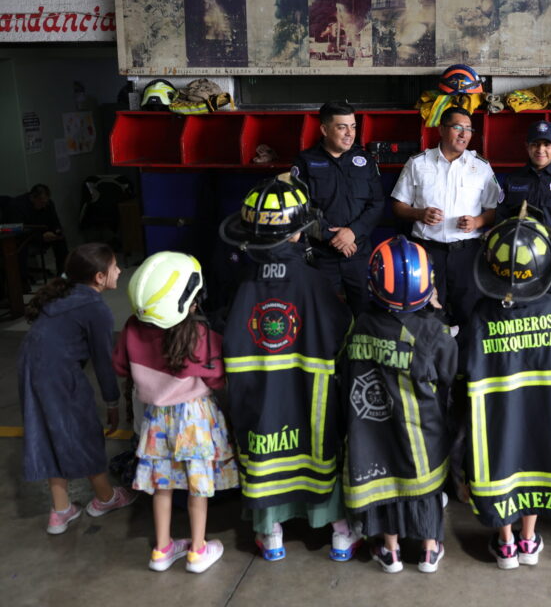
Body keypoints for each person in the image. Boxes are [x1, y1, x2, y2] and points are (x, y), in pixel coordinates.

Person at [219, 174, 361, 563]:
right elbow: (342, 331)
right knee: (319, 453)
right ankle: (339, 532)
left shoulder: (242, 283)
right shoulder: (315, 283)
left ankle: (270, 533)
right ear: (298, 233)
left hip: (259, 400)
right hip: (309, 398)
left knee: (264, 459)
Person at [462, 206, 551, 570]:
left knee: (504, 469)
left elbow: (465, 364)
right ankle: (529, 538)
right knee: (537, 467)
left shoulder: (481, 314)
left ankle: (506, 541)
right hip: (545, 417)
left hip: (499, 421)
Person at [114, 252, 239, 573]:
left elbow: (120, 366)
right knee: (198, 486)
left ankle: (161, 549)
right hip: (194, 420)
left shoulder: (131, 329)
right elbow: (218, 378)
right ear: (189, 302)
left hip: (156, 419)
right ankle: (197, 550)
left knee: (162, 484)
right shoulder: (199, 335)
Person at [341, 236, 457, 574]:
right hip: (421, 433)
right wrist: (437, 313)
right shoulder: (433, 331)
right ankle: (429, 551)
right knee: (425, 489)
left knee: (387, 490)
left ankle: (390, 551)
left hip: (372, 431)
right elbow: (449, 375)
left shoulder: (360, 324)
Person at [18, 242, 135, 535]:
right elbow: (103, 362)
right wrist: (112, 402)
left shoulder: (62, 294)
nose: (120, 271)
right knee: (84, 431)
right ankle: (106, 498)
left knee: (50, 432)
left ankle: (61, 510)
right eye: (114, 267)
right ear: (99, 277)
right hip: (58, 374)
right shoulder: (96, 308)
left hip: (31, 368)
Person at [392, 107, 500, 328]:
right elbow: (398, 206)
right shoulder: (418, 163)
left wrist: (477, 221)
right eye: (457, 127)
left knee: (470, 315)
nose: (464, 134)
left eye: (468, 129)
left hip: (467, 254)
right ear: (441, 129)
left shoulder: (481, 167)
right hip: (427, 252)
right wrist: (419, 213)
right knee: (426, 315)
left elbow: (495, 209)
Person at [292, 101, 384, 316]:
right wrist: (332, 237)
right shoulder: (305, 161)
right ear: (325, 130)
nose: (350, 134)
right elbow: (299, 208)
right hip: (321, 255)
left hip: (358, 253)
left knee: (365, 314)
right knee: (323, 315)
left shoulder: (365, 160)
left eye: (353, 127)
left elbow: (377, 203)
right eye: (342, 127)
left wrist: (352, 233)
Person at [495, 120, 551, 300]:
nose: (540, 149)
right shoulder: (512, 180)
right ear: (527, 147)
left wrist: (550, 251)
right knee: (519, 306)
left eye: (546, 144)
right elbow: (502, 219)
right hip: (518, 260)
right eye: (535, 144)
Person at [4, 184, 68, 280]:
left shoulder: (48, 204)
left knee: (61, 241)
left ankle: (63, 275)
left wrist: (57, 232)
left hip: (42, 235)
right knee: (20, 247)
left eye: (46, 202)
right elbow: (18, 231)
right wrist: (41, 236)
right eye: (42, 202)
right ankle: (23, 280)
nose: (44, 205)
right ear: (33, 198)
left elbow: (55, 222)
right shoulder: (16, 206)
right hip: (24, 238)